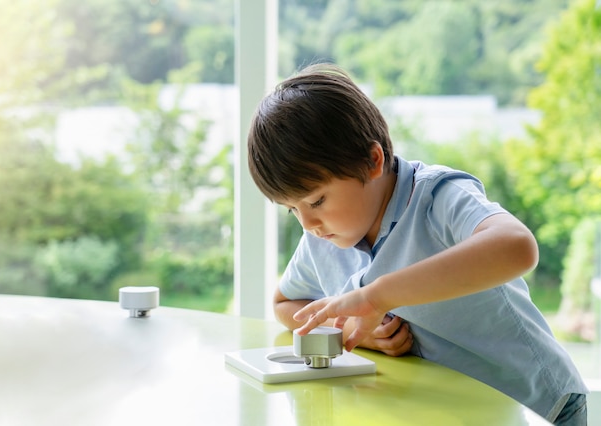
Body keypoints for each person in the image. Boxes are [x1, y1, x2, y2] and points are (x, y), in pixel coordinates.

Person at [247, 63, 588, 425]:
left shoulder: (437, 197)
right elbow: (287, 304)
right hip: (447, 412)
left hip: (535, 406)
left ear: (372, 161)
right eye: (291, 211)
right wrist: (356, 333)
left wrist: (375, 297)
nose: (309, 224)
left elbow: (517, 247)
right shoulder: (323, 237)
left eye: (317, 201)